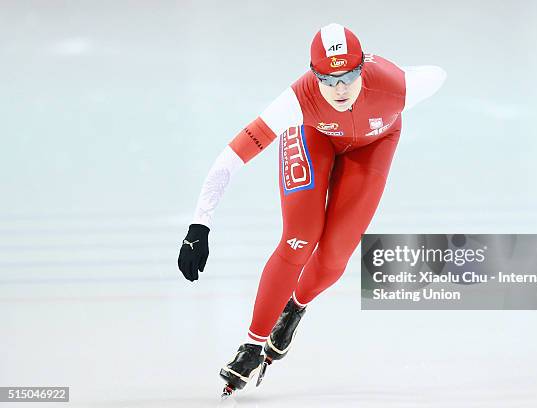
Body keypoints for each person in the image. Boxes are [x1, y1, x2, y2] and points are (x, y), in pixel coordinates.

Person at [177, 23, 446, 396]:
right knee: (300, 239)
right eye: (327, 78)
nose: (339, 88)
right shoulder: (295, 100)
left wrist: (390, 70)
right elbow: (232, 156)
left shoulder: (398, 86)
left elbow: (438, 74)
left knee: (335, 257)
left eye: (348, 76)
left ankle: (295, 307)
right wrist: (199, 225)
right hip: (311, 134)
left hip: (374, 142)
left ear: (363, 67)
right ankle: (252, 346)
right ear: (313, 73)